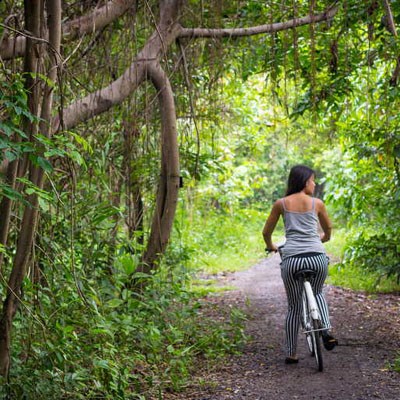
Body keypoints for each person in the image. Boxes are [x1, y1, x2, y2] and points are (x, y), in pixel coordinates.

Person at [262, 164, 338, 364]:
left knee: (294, 307)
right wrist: (323, 239)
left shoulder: (281, 204)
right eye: (313, 180)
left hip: (293, 260)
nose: (314, 183)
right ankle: (326, 329)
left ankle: (291, 353)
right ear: (305, 181)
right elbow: (328, 229)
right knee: (318, 292)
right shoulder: (317, 203)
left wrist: (271, 246)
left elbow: (266, 232)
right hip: (317, 257)